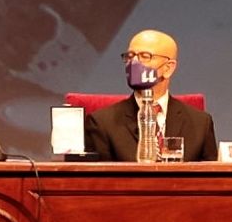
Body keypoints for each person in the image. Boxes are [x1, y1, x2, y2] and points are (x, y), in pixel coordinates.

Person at [85, 29, 218, 162]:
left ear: (168, 68)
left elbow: (212, 179)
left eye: (145, 56)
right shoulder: (101, 123)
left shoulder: (201, 123)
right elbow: (99, 180)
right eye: (130, 56)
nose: (134, 63)